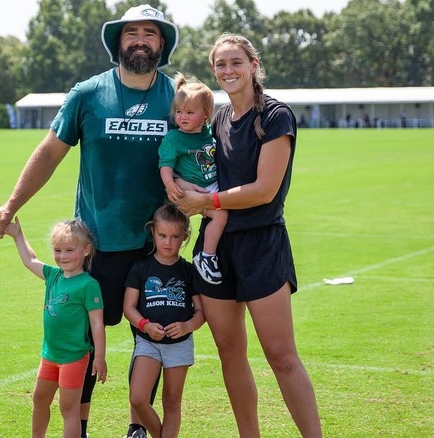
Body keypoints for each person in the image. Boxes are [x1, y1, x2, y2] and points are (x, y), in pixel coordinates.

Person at [0, 5, 179, 437]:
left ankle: (137, 427)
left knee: (151, 339)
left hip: (156, 246)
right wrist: (10, 206)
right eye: (132, 34)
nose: (140, 41)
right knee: (83, 341)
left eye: (150, 33)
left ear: (162, 44)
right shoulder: (87, 94)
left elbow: (200, 152)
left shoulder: (176, 96)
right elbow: (50, 152)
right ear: (118, 43)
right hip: (97, 245)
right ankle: (82, 425)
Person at [172, 33, 322, 437]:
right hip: (216, 249)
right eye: (220, 64)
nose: (227, 71)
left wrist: (207, 203)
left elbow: (264, 190)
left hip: (261, 244)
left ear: (254, 65)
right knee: (229, 351)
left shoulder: (275, 116)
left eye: (236, 62)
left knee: (281, 355)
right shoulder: (217, 118)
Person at [3, 217, 107, 438]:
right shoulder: (53, 275)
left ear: (86, 250)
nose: (63, 256)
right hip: (49, 356)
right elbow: (30, 260)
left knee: (69, 410)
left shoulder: (88, 285)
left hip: (74, 358)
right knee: (40, 400)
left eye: (70, 250)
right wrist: (18, 235)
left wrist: (100, 357)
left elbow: (97, 323)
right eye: (58, 250)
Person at [123, 203, 205, 438]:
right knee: (138, 397)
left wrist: (187, 326)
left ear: (185, 237)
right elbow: (128, 307)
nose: (168, 242)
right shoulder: (140, 268)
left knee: (171, 401)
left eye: (175, 236)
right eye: (162, 235)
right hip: (148, 343)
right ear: (153, 233)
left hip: (179, 345)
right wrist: (144, 326)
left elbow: (201, 313)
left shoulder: (189, 271)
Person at [158, 73, 227, 285]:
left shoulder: (210, 133)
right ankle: (207, 256)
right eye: (178, 112)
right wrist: (170, 184)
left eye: (189, 112)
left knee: (227, 209)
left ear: (206, 114)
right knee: (220, 214)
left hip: (210, 185)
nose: (182, 117)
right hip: (188, 191)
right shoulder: (174, 138)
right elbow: (165, 165)